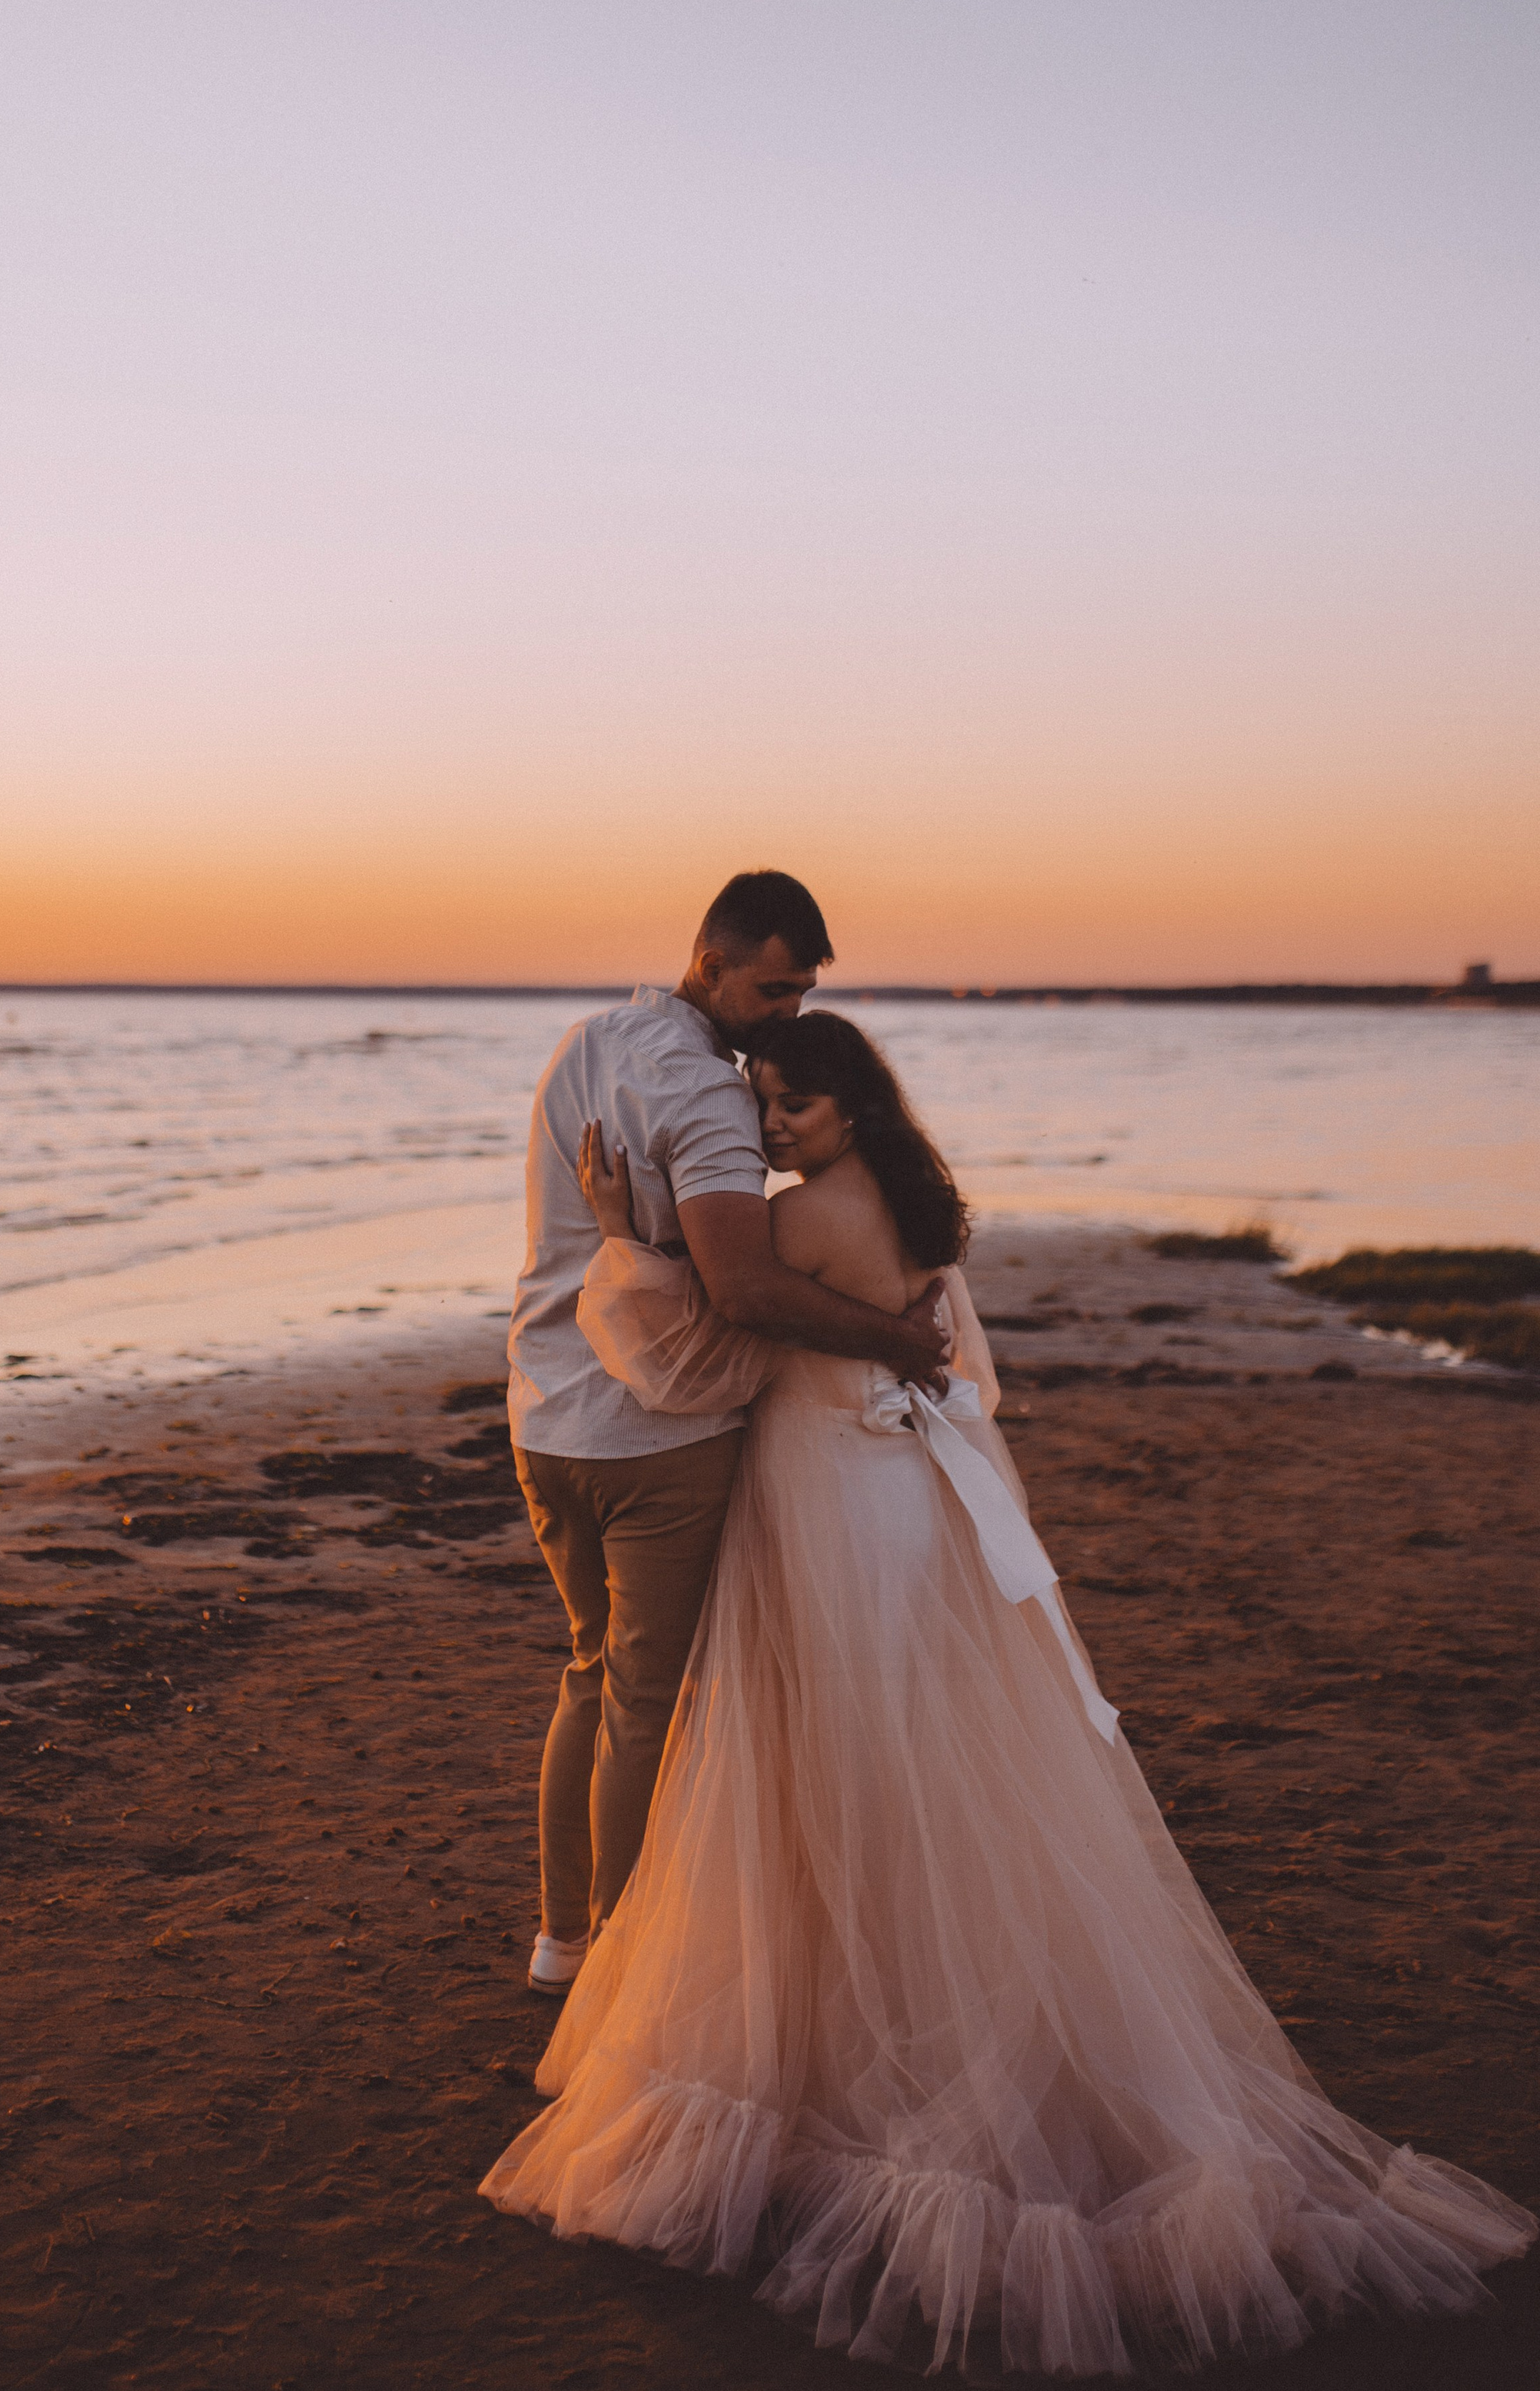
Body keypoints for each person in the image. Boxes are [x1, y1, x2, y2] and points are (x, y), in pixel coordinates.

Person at [484, 1011, 1533, 2376]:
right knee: (922, 1756)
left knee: (844, 1769)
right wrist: (883, 1348)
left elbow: (687, 1359)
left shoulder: (802, 1223)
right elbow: (955, 1366)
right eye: (761, 1102)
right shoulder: (917, 1198)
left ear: (845, 1106)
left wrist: (629, 1240)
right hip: (912, 1502)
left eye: (789, 1105)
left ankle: (856, 2046)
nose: (768, 1125)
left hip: (832, 1508)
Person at [506, 874, 952, 1998]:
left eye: (803, 993)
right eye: (774, 989)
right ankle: (614, 1957)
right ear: (713, 963)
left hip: (544, 1412)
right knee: (649, 1695)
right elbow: (747, 1289)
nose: (791, 1015)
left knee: (590, 1673)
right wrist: (897, 1341)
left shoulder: (588, 1042)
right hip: (651, 1428)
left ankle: (560, 1940)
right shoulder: (708, 1094)